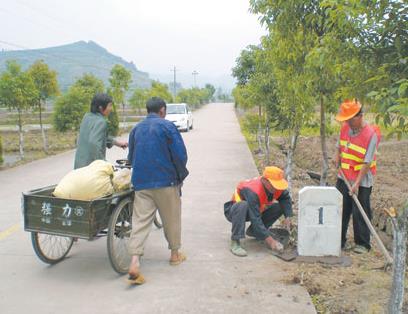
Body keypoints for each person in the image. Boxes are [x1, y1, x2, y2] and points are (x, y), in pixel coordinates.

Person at [127, 97, 189, 284]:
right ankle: (175, 255)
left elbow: (131, 157)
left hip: (142, 183)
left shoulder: (136, 129)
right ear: (162, 110)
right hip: (166, 181)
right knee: (171, 218)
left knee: (140, 222)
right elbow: (180, 155)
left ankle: (135, 262)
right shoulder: (167, 127)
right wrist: (179, 177)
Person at [334, 99, 379, 254]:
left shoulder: (371, 135)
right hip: (344, 177)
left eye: (351, 119)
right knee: (341, 208)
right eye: (346, 120)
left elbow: (367, 162)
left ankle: (362, 243)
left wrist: (357, 183)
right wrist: (337, 157)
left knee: (360, 210)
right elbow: (339, 146)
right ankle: (338, 240)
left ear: (360, 116)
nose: (348, 123)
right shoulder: (345, 128)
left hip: (362, 180)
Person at [224, 166, 293, 257]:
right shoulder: (253, 191)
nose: (276, 188)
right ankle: (235, 241)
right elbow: (255, 218)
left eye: (278, 184)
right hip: (235, 211)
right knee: (243, 205)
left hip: (256, 209)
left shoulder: (276, 188)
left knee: (280, 207)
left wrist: (288, 217)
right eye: (274, 185)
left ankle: (254, 232)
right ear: (264, 180)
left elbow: (285, 198)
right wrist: (271, 241)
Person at [74, 93, 128, 169]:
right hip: (90, 168)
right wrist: (104, 164)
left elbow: (100, 137)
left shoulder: (87, 117)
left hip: (79, 165)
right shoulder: (101, 122)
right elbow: (94, 143)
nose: (111, 108)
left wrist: (117, 143)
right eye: (109, 105)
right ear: (101, 108)